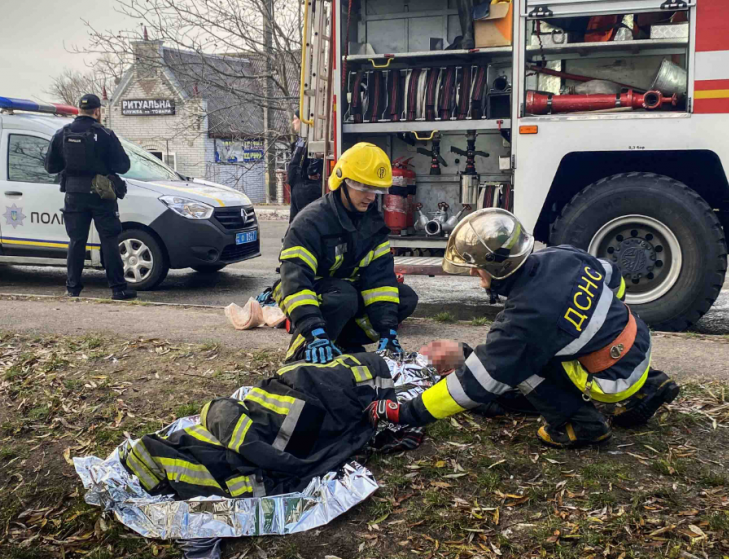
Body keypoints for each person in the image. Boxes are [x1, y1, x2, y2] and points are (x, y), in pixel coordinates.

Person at [367, 208, 680, 449]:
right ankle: (650, 386)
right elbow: (615, 280)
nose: (476, 274)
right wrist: (595, 328)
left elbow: (475, 383)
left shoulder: (526, 319)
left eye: (477, 267)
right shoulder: (561, 255)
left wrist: (408, 413)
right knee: (563, 340)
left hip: (614, 377)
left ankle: (581, 425)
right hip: (637, 341)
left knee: (520, 367)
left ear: (497, 268)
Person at [275, 142, 418, 363]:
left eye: (375, 189)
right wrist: (313, 330)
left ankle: (344, 343)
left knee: (405, 297)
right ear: (341, 182)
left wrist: (388, 331)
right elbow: (295, 282)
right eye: (363, 187)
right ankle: (305, 350)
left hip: (343, 292)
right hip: (300, 291)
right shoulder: (310, 223)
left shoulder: (373, 224)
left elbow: (380, 281)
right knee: (343, 296)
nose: (370, 197)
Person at [45, 93, 136, 300]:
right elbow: (123, 165)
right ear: (97, 111)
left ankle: (72, 289)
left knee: (76, 241)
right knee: (109, 240)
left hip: (74, 194)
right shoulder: (104, 134)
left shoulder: (62, 133)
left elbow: (51, 166)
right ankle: (118, 289)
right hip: (101, 194)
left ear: (79, 110)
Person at [287, 111, 323, 222]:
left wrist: (313, 171)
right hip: (297, 186)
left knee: (305, 221)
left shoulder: (312, 138)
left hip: (306, 186)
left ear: (303, 121)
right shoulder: (301, 140)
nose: (293, 122)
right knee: (296, 221)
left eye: (295, 118)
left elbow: (318, 156)